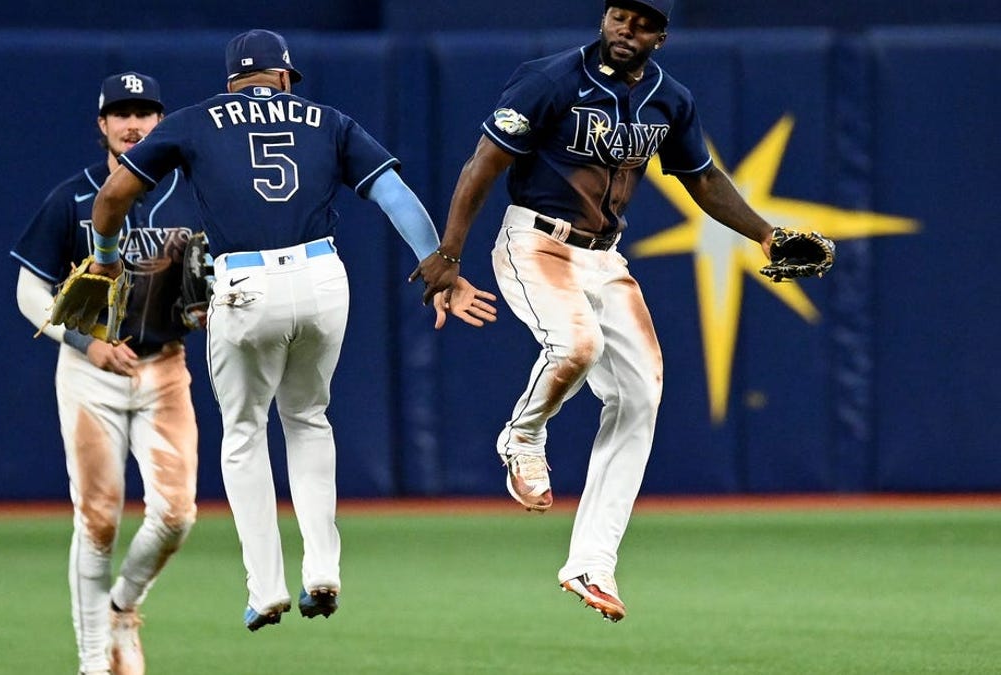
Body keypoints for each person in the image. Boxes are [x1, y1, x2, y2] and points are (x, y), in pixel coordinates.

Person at [84, 29, 497, 631]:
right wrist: (441, 267)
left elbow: (115, 193)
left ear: (233, 83)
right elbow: (394, 195)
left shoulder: (197, 121)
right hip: (323, 278)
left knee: (246, 432)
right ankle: (323, 569)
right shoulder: (326, 118)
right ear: (282, 77)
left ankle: (267, 587)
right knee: (308, 420)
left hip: (245, 283)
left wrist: (103, 255)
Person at [410, 0, 782, 622]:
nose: (624, 30)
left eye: (640, 23)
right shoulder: (550, 78)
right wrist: (448, 253)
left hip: (604, 258)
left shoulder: (670, 98)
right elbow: (485, 162)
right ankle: (522, 435)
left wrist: (766, 235)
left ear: (661, 35)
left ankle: (591, 563)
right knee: (575, 346)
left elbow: (704, 179)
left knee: (642, 394)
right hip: (535, 240)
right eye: (617, 16)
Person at [11, 71, 203, 674]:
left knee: (177, 516)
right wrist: (84, 341)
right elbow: (28, 290)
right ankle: (95, 661)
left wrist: (211, 303)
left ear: (160, 122)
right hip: (90, 373)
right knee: (97, 520)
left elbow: (214, 284)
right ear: (102, 125)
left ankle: (125, 605)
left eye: (144, 112)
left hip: (164, 368)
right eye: (120, 113)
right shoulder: (74, 196)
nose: (133, 123)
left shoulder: (193, 193)